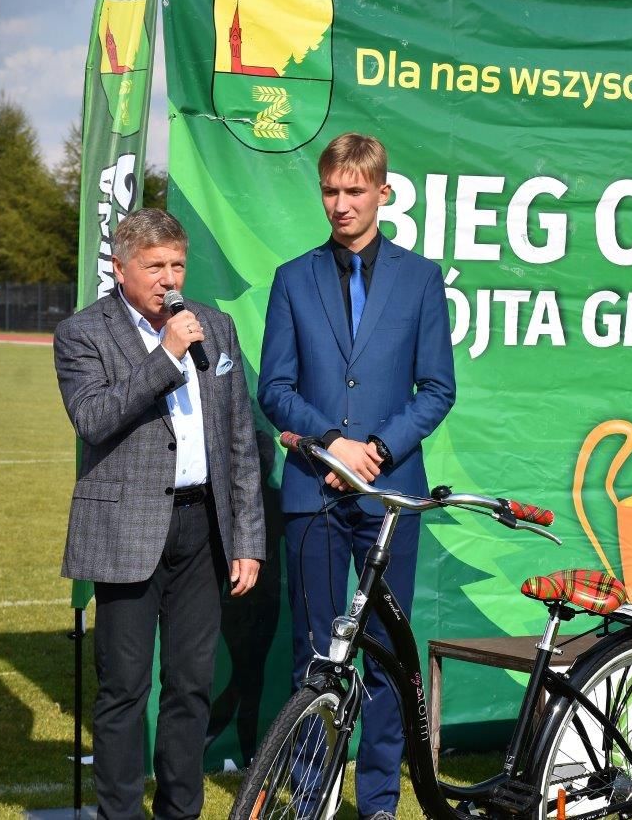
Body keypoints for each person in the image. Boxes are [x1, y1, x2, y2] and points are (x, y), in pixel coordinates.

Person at [258, 132, 456, 820]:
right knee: (316, 654)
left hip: (389, 493)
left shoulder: (420, 278)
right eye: (330, 191)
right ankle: (311, 797)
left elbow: (437, 389)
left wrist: (376, 447)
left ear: (383, 192)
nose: (341, 204)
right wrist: (332, 444)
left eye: (354, 191)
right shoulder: (293, 278)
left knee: (385, 659)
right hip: (313, 489)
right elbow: (274, 388)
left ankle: (377, 803)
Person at [53, 208, 265, 820]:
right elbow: (93, 419)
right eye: (154, 267)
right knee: (124, 687)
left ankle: (180, 811)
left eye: (177, 265)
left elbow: (238, 438)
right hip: (127, 530)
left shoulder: (214, 327)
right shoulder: (82, 333)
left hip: (203, 529)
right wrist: (167, 356)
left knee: (191, 685)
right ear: (119, 269)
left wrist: (247, 538)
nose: (169, 279)